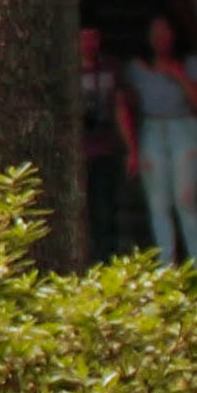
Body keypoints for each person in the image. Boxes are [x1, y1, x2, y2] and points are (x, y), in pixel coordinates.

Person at [118, 15, 197, 262]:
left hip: (184, 128)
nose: (161, 39)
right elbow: (123, 103)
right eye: (156, 33)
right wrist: (131, 146)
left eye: (166, 33)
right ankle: (166, 264)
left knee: (185, 199)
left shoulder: (192, 64)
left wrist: (178, 75)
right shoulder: (136, 68)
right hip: (152, 128)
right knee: (158, 203)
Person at [77, 26, 137, 265]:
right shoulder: (67, 69)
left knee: (105, 207)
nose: (89, 43)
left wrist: (132, 148)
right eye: (84, 38)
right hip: (78, 152)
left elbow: (122, 108)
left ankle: (105, 260)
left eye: (93, 38)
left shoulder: (111, 69)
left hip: (105, 149)